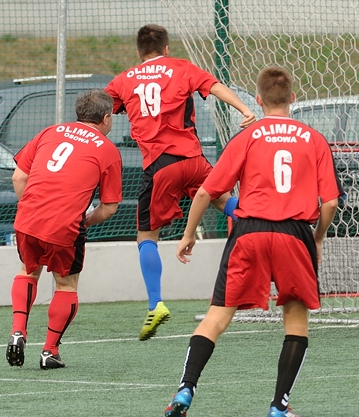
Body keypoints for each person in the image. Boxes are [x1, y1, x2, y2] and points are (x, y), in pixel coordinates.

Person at [163, 66, 342, 417]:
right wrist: (318, 238)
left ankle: (185, 388)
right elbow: (330, 203)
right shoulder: (313, 139)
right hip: (295, 234)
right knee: (295, 320)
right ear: (293, 98)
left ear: (258, 100)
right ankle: (279, 406)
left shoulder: (248, 136)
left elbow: (206, 192)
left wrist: (188, 234)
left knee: (217, 317)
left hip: (249, 233)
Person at [105, 24, 256, 340]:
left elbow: (102, 109)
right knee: (221, 199)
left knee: (147, 235)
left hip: (160, 166)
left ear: (139, 52)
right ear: (166, 48)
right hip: (193, 159)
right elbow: (215, 86)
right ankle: (269, 220)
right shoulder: (181, 67)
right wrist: (244, 109)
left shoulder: (124, 79)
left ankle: (155, 304)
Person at [6, 90, 123, 369]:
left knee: (27, 272)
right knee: (66, 284)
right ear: (106, 118)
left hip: (27, 219)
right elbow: (109, 208)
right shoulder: (108, 150)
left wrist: (31, 207)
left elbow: (19, 177)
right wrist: (85, 221)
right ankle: (50, 351)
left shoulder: (50, 132)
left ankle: (18, 331)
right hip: (64, 226)